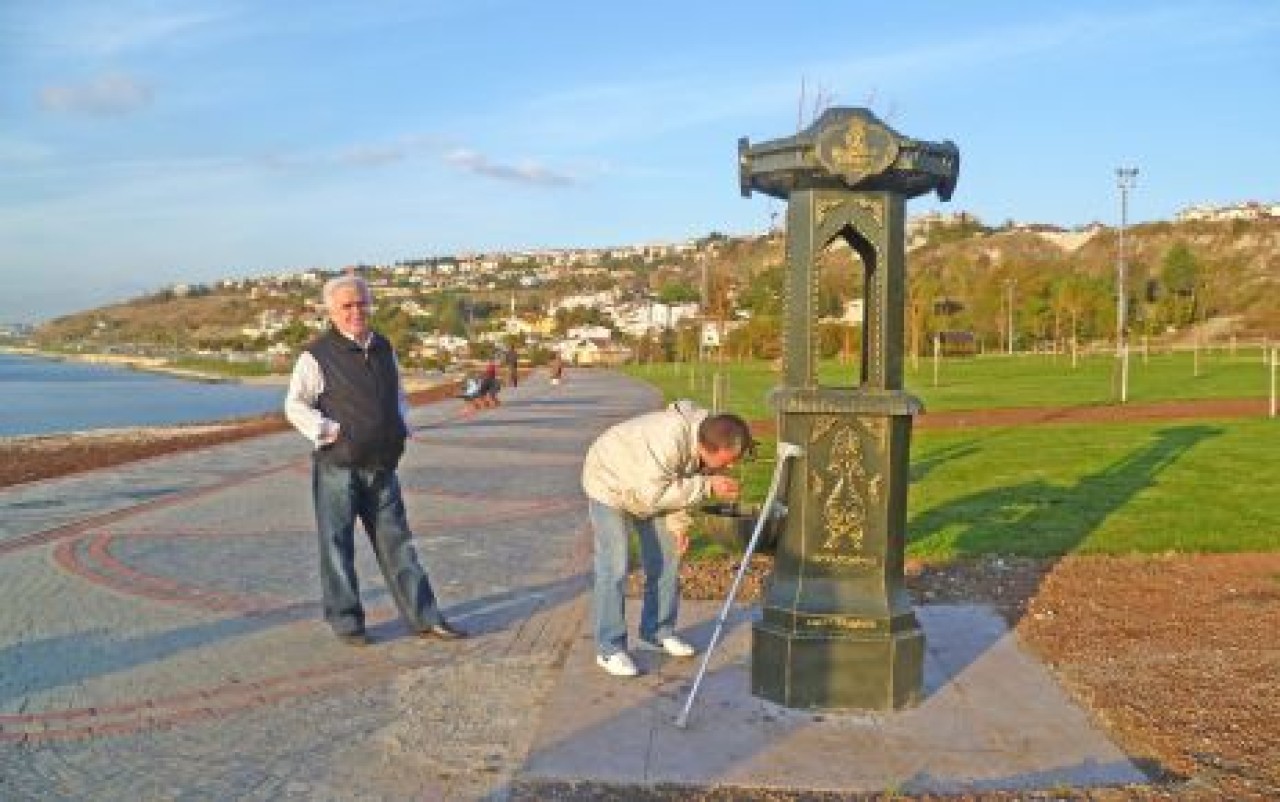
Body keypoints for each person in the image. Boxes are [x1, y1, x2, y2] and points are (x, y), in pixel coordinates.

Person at [285, 275, 465, 646]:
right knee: (337, 546)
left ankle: (425, 618)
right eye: (347, 306)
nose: (356, 311)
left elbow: (397, 394)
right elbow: (295, 405)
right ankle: (347, 622)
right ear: (331, 311)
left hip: (382, 465)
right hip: (339, 467)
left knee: (398, 544)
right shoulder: (315, 356)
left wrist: (401, 425)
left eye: (362, 303)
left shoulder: (384, 348)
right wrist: (329, 431)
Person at [581, 400, 750, 677]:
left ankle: (657, 631)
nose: (731, 464)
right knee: (615, 564)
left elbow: (679, 478)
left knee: (668, 555)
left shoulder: (705, 434)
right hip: (609, 480)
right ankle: (609, 648)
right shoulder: (667, 441)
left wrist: (678, 526)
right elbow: (655, 495)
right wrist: (707, 486)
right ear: (707, 448)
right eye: (728, 459)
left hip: (648, 484)